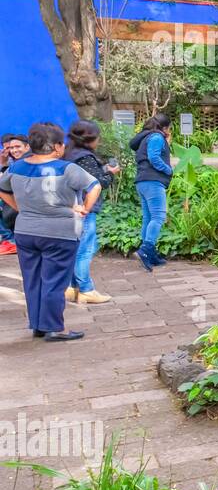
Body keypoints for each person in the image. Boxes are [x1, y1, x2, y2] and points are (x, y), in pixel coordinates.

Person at [0, 122, 100, 341]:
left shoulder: (16, 167)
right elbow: (94, 186)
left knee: (32, 280)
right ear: (56, 147)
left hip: (26, 231)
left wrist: (21, 208)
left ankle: (38, 325)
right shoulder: (67, 168)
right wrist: (84, 208)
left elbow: (2, 189)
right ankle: (53, 327)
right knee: (54, 280)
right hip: (60, 233)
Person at [64, 120, 118, 304]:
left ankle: (72, 288)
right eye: (97, 137)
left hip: (71, 207)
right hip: (85, 208)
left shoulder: (68, 154)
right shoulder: (85, 157)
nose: (99, 141)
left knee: (75, 248)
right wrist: (110, 174)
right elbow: (96, 183)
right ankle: (86, 289)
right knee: (85, 250)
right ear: (88, 140)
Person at [129, 114, 173, 271]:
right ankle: (146, 250)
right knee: (159, 216)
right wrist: (168, 169)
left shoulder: (145, 137)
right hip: (153, 182)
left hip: (143, 181)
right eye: (169, 128)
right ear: (165, 128)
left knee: (149, 217)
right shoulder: (156, 137)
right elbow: (154, 157)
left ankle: (150, 252)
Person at [0, 133, 28, 255]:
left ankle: (10, 240)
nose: (13, 150)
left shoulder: (28, 161)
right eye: (10, 148)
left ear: (27, 147)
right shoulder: (14, 162)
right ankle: (9, 239)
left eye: (17, 147)